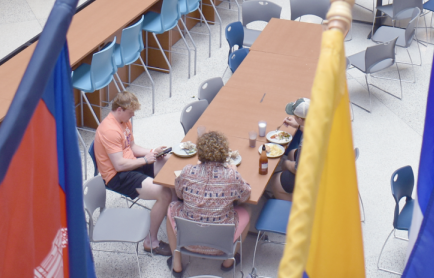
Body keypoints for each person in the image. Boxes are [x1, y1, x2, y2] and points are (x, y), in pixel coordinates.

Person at [94, 92, 173, 257]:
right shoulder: (109, 130)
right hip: (118, 176)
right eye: (131, 112)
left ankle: (172, 211)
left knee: (168, 161)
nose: (133, 115)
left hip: (131, 164)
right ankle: (150, 242)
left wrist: (153, 152)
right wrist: (145, 160)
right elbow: (119, 164)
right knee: (164, 193)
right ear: (120, 110)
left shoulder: (124, 121)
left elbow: (132, 146)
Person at [165, 130, 252, 272]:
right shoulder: (232, 175)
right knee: (247, 210)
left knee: (171, 207)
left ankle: (177, 264)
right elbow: (245, 196)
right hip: (221, 243)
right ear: (225, 153)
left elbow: (179, 194)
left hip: (188, 240)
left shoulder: (187, 171)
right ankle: (228, 262)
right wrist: (236, 173)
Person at [270, 97, 308, 201]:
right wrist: (299, 126)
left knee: (274, 181)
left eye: (295, 116)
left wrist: (286, 163)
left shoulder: (304, 143)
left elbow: (297, 169)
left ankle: (301, 205)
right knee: (291, 154)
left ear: (301, 119)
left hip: (317, 175)